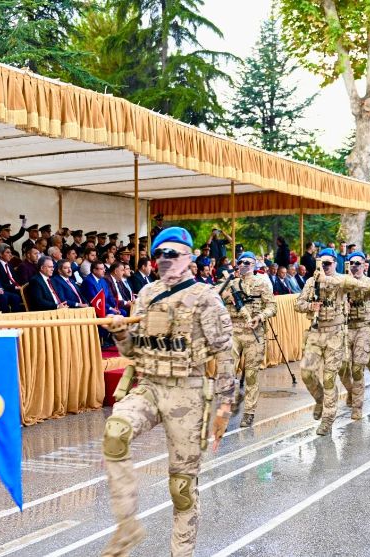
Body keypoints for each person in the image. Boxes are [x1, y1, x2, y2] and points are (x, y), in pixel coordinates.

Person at [100, 227, 234, 557]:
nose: (164, 260)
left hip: (187, 393)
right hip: (150, 386)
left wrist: (225, 404)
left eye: (172, 254)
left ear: (189, 257)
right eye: (159, 254)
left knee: (182, 487)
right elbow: (134, 352)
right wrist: (119, 334)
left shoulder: (205, 297)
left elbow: (225, 350)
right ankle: (127, 525)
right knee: (115, 432)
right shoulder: (146, 295)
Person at [295, 248, 367, 435]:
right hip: (316, 333)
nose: (325, 267)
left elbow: (358, 286)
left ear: (335, 263)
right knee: (306, 373)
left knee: (329, 377)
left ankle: (328, 418)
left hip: (335, 334)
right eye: (322, 263)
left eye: (328, 263)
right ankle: (320, 399)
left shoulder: (341, 281)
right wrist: (311, 305)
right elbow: (298, 304)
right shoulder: (312, 282)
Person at [220, 251, 276, 427]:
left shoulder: (262, 283)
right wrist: (225, 294)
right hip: (234, 332)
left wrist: (260, 317)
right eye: (241, 262)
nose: (244, 265)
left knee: (251, 374)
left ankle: (249, 412)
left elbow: (272, 306)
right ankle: (232, 398)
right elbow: (213, 297)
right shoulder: (230, 284)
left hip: (254, 333)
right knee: (227, 370)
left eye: (247, 262)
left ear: (254, 265)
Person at [338, 251, 370, 421]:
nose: (355, 266)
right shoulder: (342, 282)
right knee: (341, 366)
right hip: (345, 327)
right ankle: (351, 390)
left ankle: (357, 407)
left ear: (364, 265)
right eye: (352, 263)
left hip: (363, 328)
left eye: (358, 263)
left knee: (357, 368)